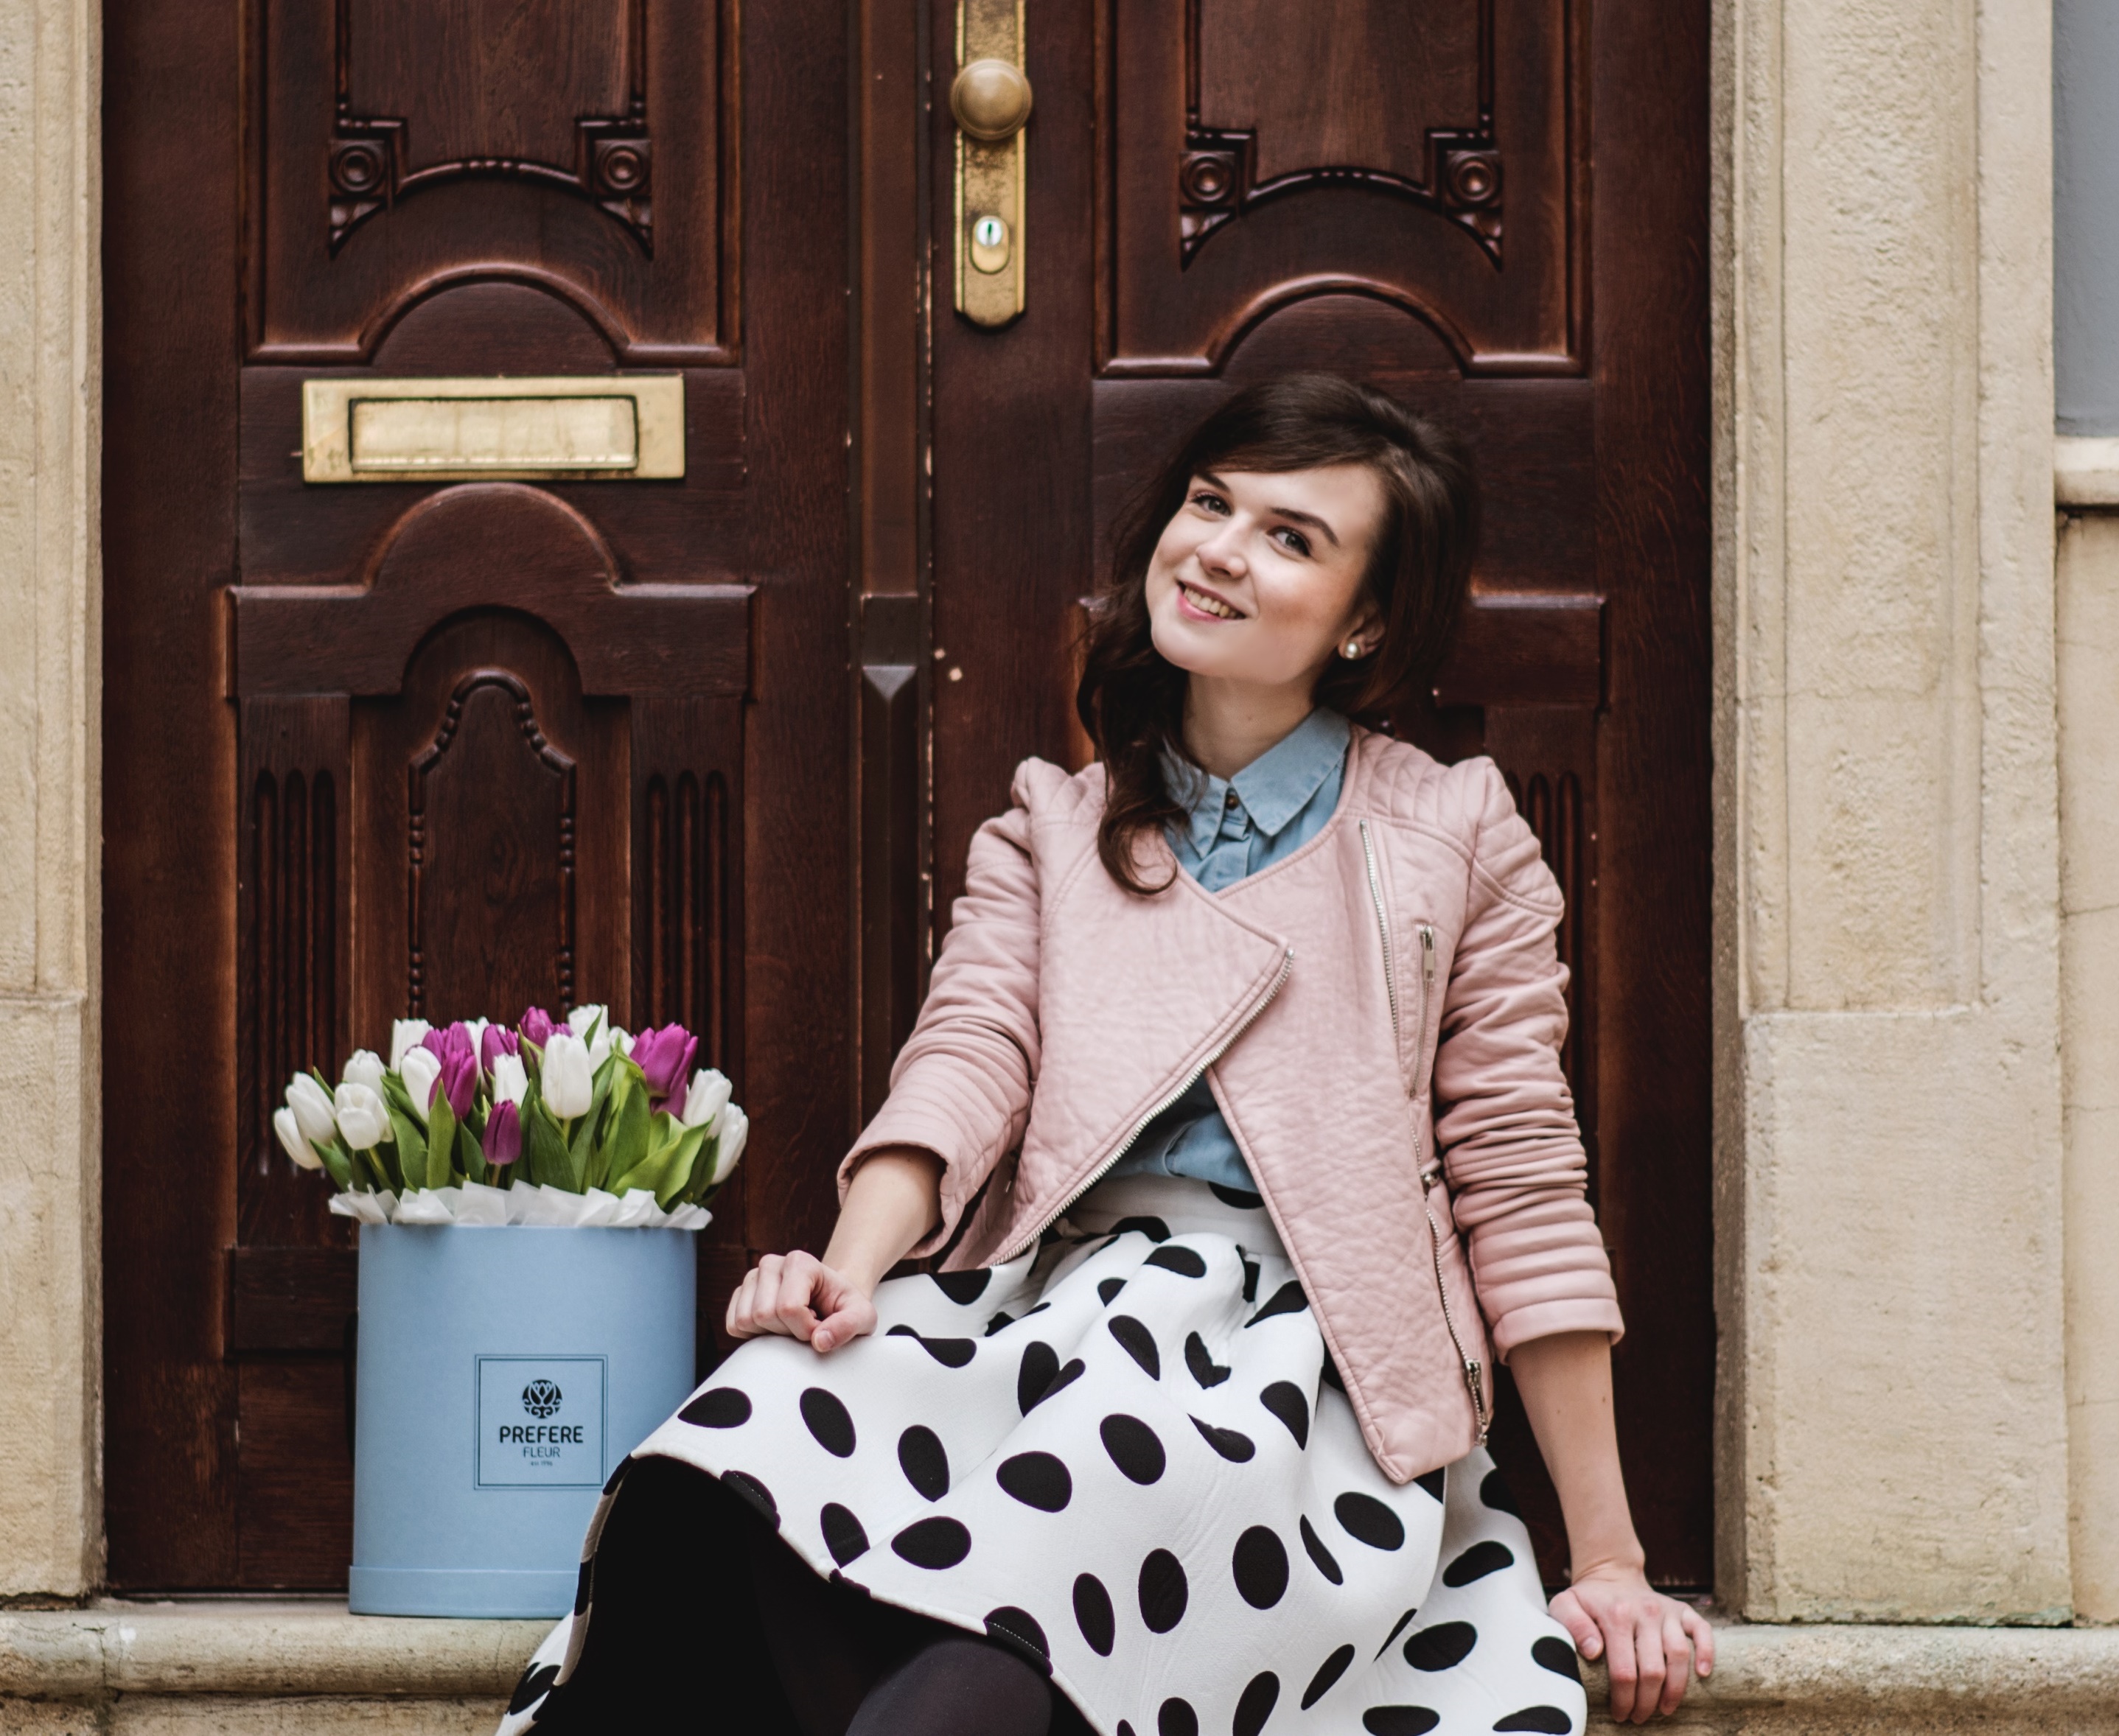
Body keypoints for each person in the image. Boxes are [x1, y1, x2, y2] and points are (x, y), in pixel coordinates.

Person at [505, 374, 1715, 1736]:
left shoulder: (1452, 833)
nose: (1218, 550)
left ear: (1365, 620)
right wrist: (846, 1277)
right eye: (1209, 504)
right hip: (1049, 1313)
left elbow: (1519, 1177)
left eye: (1289, 537)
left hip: (1298, 1372)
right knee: (724, 1463)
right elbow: (963, 1067)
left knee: (1034, 1589)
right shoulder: (1053, 827)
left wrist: (1608, 1558)